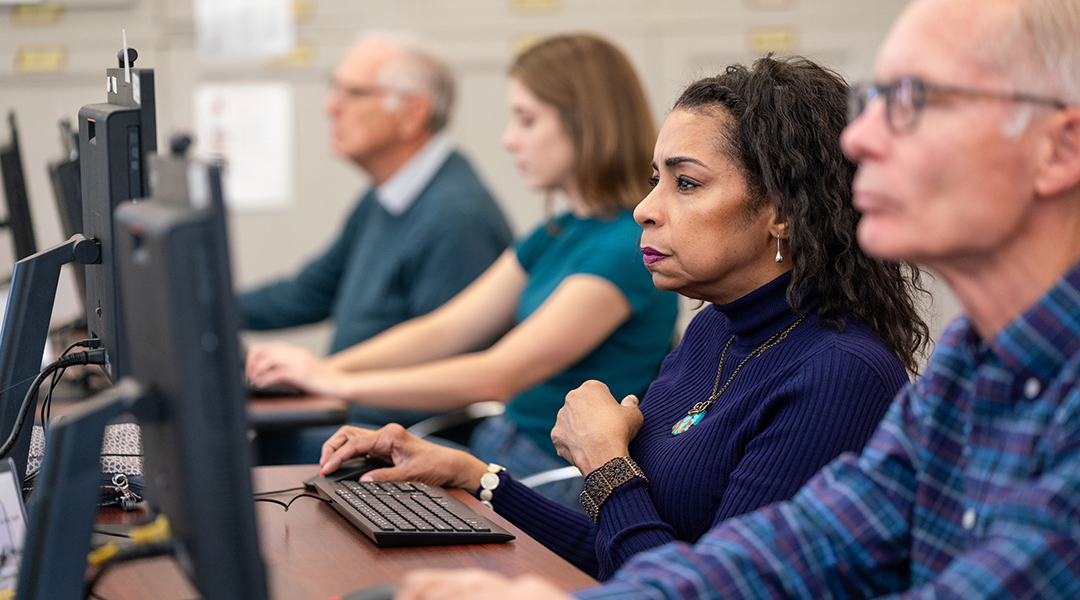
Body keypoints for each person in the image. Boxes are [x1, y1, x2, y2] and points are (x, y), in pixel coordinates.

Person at [388, 0, 1080, 597]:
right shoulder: (967, 364)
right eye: (872, 103)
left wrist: (605, 466)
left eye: (914, 102)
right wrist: (492, 489)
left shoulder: (854, 370)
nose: (862, 137)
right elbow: (790, 553)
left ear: (1058, 150)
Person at [315, 54, 931, 581]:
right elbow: (614, 554)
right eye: (653, 180)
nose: (644, 209)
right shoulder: (715, 328)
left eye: (685, 184)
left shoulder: (838, 376)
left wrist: (606, 461)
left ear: (782, 212)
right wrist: (475, 477)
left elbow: (694, 591)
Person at [246, 33, 680, 507]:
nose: (508, 138)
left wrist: (338, 383)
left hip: (545, 478)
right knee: (287, 445)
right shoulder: (557, 231)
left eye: (527, 120)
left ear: (585, 124)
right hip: (495, 445)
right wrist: (322, 370)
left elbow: (499, 374)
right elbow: (443, 329)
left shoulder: (623, 248)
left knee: (293, 450)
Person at [239, 32, 513, 427]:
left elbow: (447, 379)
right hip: (347, 413)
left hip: (392, 436)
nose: (330, 106)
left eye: (353, 92)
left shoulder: (456, 215)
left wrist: (324, 379)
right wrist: (201, 305)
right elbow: (308, 293)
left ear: (412, 113)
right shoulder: (385, 197)